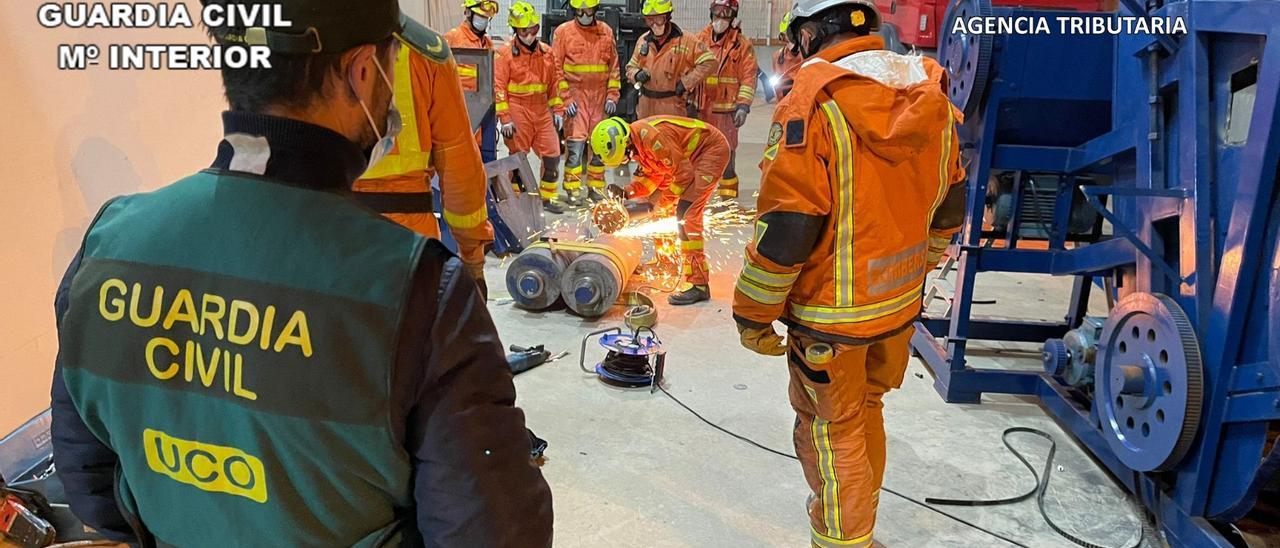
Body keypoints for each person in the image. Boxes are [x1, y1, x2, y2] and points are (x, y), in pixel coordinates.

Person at [49, 1, 554, 546]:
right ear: (363, 72)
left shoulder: (109, 243)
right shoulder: (422, 291)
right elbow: (490, 531)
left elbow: (90, 481)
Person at [731, 0, 966, 545]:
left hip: (829, 319)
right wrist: (921, 265)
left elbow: (789, 228)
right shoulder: (927, 91)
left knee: (831, 434)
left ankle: (842, 542)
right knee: (866, 412)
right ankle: (859, 529)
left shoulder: (812, 103)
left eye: (795, 40)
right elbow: (950, 206)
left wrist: (752, 313)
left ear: (811, 34)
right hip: (898, 308)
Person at [355, 13, 493, 296]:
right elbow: (460, 170)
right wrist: (472, 258)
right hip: (406, 240)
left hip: (315, 232)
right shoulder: (426, 50)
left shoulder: (285, 45)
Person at [592, 116, 729, 305]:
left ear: (626, 142)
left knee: (686, 215)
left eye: (626, 155)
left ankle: (699, 284)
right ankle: (666, 262)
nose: (629, 159)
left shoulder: (652, 138)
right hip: (683, 161)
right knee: (662, 210)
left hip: (709, 152)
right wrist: (627, 192)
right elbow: (652, 177)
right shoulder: (636, 142)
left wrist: (661, 203)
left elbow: (684, 175)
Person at [497, 2, 568, 214]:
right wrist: (505, 118)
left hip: (541, 110)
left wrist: (558, 111)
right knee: (518, 158)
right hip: (518, 109)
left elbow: (555, 83)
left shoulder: (547, 53)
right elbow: (498, 87)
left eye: (533, 30)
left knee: (553, 155)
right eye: (524, 31)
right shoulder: (504, 54)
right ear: (516, 30)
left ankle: (546, 199)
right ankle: (517, 200)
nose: (529, 35)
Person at [551, 0, 621, 206]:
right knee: (575, 146)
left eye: (587, 9)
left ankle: (595, 188)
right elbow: (556, 68)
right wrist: (566, 99)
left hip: (599, 98)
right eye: (580, 10)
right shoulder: (563, 32)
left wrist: (612, 95)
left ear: (595, 9)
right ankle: (572, 189)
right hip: (576, 96)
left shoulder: (606, 31)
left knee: (599, 146)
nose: (584, 14)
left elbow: (614, 67)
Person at [694, 0, 757, 201]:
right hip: (702, 110)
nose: (720, 18)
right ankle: (698, 199)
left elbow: (749, 77)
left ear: (733, 16)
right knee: (700, 157)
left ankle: (728, 202)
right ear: (710, 13)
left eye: (726, 13)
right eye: (717, 12)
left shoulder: (741, 45)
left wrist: (743, 106)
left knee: (728, 159)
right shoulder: (699, 40)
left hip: (727, 113)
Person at [626, 0, 717, 119]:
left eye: (659, 19)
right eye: (650, 20)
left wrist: (687, 82)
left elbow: (710, 62)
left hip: (672, 108)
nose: (654, 25)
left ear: (668, 17)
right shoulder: (643, 41)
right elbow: (630, 68)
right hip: (645, 108)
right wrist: (636, 74)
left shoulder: (686, 40)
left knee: (671, 137)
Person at [445, 0, 500, 162]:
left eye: (486, 17)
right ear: (468, 12)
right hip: (458, 110)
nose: (484, 21)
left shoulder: (487, 44)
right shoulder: (453, 38)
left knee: (480, 158)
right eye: (481, 16)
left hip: (483, 113)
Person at [771, 12, 804, 99]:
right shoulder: (777, 57)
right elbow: (777, 89)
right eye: (785, 37)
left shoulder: (809, 57)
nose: (789, 43)